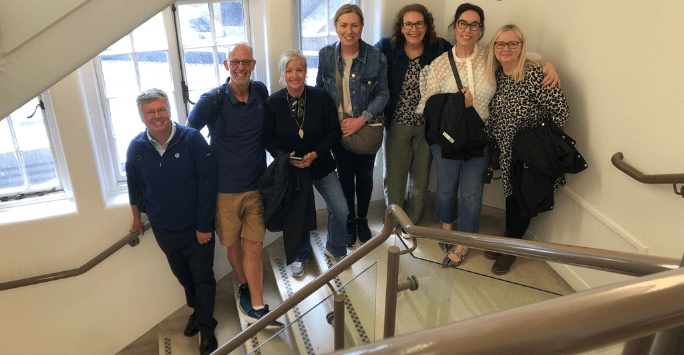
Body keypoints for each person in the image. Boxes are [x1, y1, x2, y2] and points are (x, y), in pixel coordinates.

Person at [416, 3, 560, 269]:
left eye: (474, 25)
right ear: (455, 26)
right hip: (448, 139)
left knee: (472, 192)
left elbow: (526, 56)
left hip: (480, 137)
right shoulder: (439, 64)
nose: (468, 30)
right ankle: (446, 228)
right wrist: (456, 104)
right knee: (446, 188)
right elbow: (425, 105)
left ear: (481, 30)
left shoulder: (490, 55)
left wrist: (547, 65)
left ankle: (466, 240)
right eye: (463, 23)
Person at [187, 43, 283, 329]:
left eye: (246, 62)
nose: (240, 67)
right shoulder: (212, 100)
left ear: (253, 65)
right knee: (232, 244)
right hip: (223, 191)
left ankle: (256, 305)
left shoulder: (261, 93)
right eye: (234, 62)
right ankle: (243, 284)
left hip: (256, 187)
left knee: (253, 245)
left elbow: (269, 132)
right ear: (227, 66)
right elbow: (190, 139)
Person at [126, 89, 218, 355]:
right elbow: (134, 187)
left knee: (202, 278)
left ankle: (207, 328)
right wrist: (136, 219)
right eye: (150, 112)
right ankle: (198, 313)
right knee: (184, 277)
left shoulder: (192, 140)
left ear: (169, 109)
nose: (157, 116)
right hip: (164, 230)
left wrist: (203, 226)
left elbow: (208, 184)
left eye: (161, 110)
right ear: (142, 116)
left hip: (195, 229)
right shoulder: (137, 148)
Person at [486, 24, 569, 275]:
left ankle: (512, 249)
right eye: (500, 44)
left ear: (522, 47)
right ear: (494, 48)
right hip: (507, 151)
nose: (506, 48)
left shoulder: (534, 74)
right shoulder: (498, 75)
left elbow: (561, 112)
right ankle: (507, 241)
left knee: (523, 201)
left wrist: (535, 140)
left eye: (513, 43)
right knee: (512, 197)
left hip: (530, 154)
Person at [263, 50, 347, 277]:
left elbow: (333, 131)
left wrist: (315, 154)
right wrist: (286, 157)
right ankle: (301, 255)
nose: (295, 75)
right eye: (289, 70)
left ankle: (336, 248)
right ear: (282, 74)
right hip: (292, 167)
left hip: (320, 163)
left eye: (299, 70)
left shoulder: (320, 98)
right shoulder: (273, 103)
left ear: (306, 72)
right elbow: (268, 139)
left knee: (341, 208)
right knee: (297, 213)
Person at [316, 4, 389, 248]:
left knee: (365, 176)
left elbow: (383, 94)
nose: (349, 30)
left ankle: (362, 219)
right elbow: (319, 92)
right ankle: (348, 220)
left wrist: (362, 118)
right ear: (336, 27)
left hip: (365, 128)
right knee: (345, 176)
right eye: (344, 25)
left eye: (354, 25)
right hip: (338, 130)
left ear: (362, 27)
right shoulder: (326, 55)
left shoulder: (376, 57)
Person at [375, 4, 452, 225]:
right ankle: (393, 220)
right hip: (397, 124)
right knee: (395, 178)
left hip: (427, 127)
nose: (413, 29)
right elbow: (362, 56)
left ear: (427, 26)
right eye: (408, 24)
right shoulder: (387, 47)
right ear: (401, 27)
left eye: (419, 23)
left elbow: (468, 55)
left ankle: (414, 222)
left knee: (420, 178)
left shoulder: (439, 48)